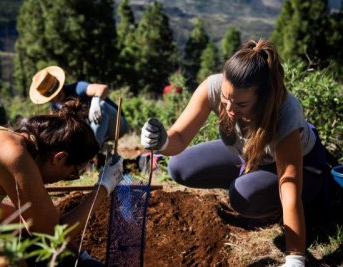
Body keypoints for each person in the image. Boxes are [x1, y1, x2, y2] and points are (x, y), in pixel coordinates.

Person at [141, 39, 332, 267]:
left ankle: (269, 207)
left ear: (262, 98)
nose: (230, 109)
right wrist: (161, 140)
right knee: (179, 166)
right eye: (225, 98)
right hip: (250, 156)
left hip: (304, 169)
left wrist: (295, 258)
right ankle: (253, 183)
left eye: (241, 104)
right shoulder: (214, 86)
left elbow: (289, 186)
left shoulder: (284, 112)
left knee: (243, 196)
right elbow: (179, 138)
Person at [0, 99, 123, 265]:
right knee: (8, 260)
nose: (69, 178)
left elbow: (16, 216)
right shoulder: (14, 156)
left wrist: (79, 254)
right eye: (73, 174)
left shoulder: (4, 137)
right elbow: (52, 235)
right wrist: (103, 187)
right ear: (60, 158)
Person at [29, 66, 128, 148]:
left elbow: (103, 88)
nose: (55, 98)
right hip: (95, 133)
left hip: (117, 125)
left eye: (57, 94)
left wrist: (95, 101)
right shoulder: (55, 107)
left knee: (101, 106)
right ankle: (98, 150)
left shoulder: (78, 88)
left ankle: (92, 151)